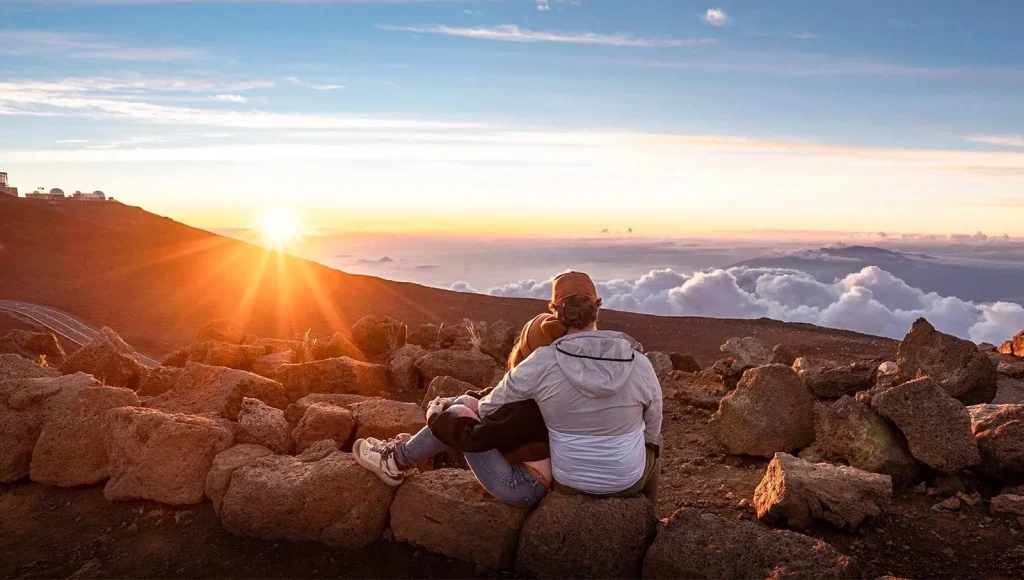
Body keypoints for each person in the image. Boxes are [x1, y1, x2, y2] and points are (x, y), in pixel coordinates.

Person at [478, 271, 663, 503]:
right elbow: (653, 424)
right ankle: (648, 511)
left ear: (555, 312)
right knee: (656, 441)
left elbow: (488, 408)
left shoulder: (540, 362)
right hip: (627, 482)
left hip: (568, 483)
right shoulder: (638, 362)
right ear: (597, 307)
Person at [351, 313, 566, 507]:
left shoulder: (528, 403)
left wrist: (436, 417)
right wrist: (454, 401)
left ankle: (396, 461)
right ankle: (403, 455)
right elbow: (494, 396)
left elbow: (475, 438)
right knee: (463, 403)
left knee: (456, 417)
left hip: (522, 485)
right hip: (524, 472)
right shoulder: (543, 387)